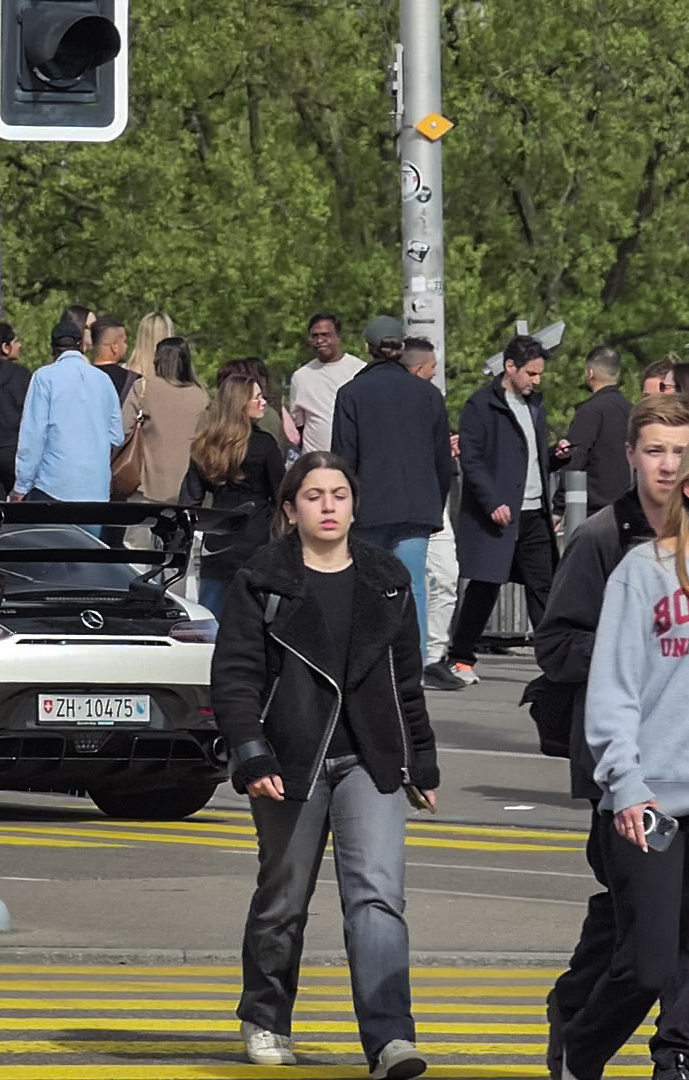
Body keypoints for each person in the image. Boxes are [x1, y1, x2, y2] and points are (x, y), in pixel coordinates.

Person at [209, 451, 437, 1080]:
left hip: (371, 758)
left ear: (354, 505)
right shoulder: (262, 580)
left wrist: (421, 763)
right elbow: (234, 679)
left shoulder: (388, 578)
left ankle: (391, 1039)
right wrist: (251, 754)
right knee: (284, 898)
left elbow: (406, 682)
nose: (329, 505)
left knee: (377, 899)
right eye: (314, 495)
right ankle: (266, 1016)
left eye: (339, 494)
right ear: (290, 508)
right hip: (290, 761)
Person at [538, 394, 689, 1080]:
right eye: (654, 450)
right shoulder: (609, 542)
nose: (667, 466)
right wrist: (633, 644)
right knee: (642, 946)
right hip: (628, 775)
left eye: (679, 452)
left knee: (663, 937)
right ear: (631, 456)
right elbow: (563, 648)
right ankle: (579, 1028)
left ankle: (674, 1057)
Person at [444, 335, 558, 687]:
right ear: (510, 368)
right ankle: (461, 656)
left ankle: (555, 662)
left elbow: (534, 457)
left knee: (544, 587)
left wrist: (558, 457)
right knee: (485, 586)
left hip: (534, 512)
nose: (536, 381)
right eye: (531, 373)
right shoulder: (481, 405)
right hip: (500, 513)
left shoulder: (535, 407)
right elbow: (472, 458)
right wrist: (491, 501)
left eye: (539, 374)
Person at [333, 330, 455, 650]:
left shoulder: (351, 393)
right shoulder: (429, 395)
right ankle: (413, 666)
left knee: (369, 586)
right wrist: (435, 502)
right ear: (400, 349)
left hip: (368, 508)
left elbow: (344, 459)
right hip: (418, 506)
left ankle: (370, 661)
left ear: (366, 349)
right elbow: (443, 459)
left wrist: (345, 506)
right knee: (412, 585)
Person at [182, 372, 285, 615]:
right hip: (258, 536)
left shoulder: (205, 445)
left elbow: (190, 498)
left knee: (212, 611)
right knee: (254, 613)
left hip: (219, 537)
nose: (263, 402)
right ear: (240, 404)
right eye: (257, 398)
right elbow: (281, 493)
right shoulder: (265, 444)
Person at [11, 320, 122, 504]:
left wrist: (22, 486)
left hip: (53, 487)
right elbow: (116, 436)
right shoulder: (103, 380)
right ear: (81, 346)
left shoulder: (44, 378)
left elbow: (33, 436)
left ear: (52, 348)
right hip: (96, 490)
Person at [556, 346, 636, 515]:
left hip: (595, 510)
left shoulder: (589, 411)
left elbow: (575, 459)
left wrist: (559, 506)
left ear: (590, 373)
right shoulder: (634, 411)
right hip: (631, 505)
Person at [137, 336, 210, 504]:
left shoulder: (146, 388)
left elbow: (124, 428)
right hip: (188, 486)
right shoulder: (201, 395)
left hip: (150, 484)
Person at [287, 312, 366, 454]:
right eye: (315, 336)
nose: (320, 340)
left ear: (338, 337)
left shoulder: (359, 370)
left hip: (352, 457)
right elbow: (298, 425)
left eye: (325, 335)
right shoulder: (300, 377)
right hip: (315, 459)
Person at [0, 322, 31, 500]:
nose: (20, 346)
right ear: (5, 347)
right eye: (16, 341)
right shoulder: (22, 375)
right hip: (13, 450)